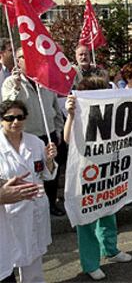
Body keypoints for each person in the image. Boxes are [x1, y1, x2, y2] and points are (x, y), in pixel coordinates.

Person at [64, 77, 132, 281]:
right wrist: (70, 115)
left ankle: (110, 249)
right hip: (86, 170)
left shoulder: (112, 108)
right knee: (86, 217)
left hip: (108, 168)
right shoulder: (77, 108)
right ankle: (91, 263)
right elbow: (67, 138)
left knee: (108, 209)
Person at [2, 47, 65, 216]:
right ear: (17, 61)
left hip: (48, 133)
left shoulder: (45, 81)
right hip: (27, 136)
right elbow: (7, 108)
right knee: (29, 173)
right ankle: (27, 205)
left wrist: (57, 130)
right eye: (22, 57)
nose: (27, 60)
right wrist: (15, 87)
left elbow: (55, 109)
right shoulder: (10, 82)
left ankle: (51, 204)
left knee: (51, 169)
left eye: (31, 56)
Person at [0, 100, 58, 283]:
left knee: (33, 263)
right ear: (1, 120)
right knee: (7, 264)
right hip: (9, 215)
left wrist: (49, 160)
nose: (15, 122)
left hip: (35, 209)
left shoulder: (35, 142)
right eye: (9, 118)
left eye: (20, 117)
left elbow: (46, 175)